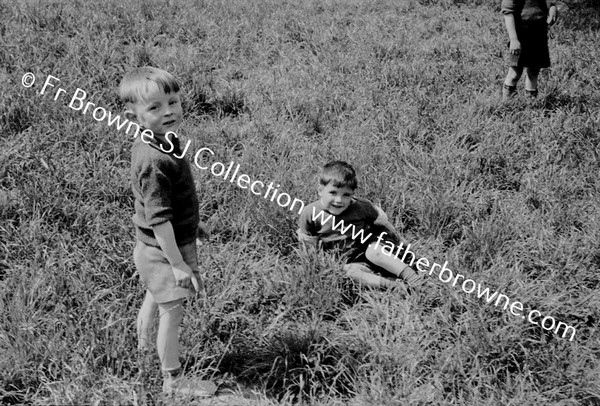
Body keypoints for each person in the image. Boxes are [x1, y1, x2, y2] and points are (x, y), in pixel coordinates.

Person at [120, 66, 215, 397]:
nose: (169, 111)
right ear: (133, 116)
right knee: (171, 311)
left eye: (172, 101)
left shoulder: (164, 141)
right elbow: (158, 219)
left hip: (155, 246)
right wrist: (177, 263)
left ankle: (145, 353)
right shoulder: (153, 159)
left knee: (154, 299)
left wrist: (191, 224)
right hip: (161, 251)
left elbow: (170, 206)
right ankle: (172, 379)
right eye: (155, 107)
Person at [297, 160, 423, 291]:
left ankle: (414, 279)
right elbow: (309, 245)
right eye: (333, 192)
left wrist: (401, 244)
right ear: (320, 190)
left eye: (346, 195)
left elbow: (383, 223)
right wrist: (316, 267)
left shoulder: (362, 207)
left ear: (352, 194)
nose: (339, 200)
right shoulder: (310, 213)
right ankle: (393, 286)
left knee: (374, 252)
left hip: (370, 248)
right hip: (351, 261)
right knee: (346, 272)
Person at [502, 0, 558, 100]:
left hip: (539, 34)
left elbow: (551, 1)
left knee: (534, 71)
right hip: (521, 35)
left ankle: (531, 103)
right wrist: (514, 40)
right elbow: (508, 13)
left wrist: (553, 8)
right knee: (515, 72)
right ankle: (507, 103)